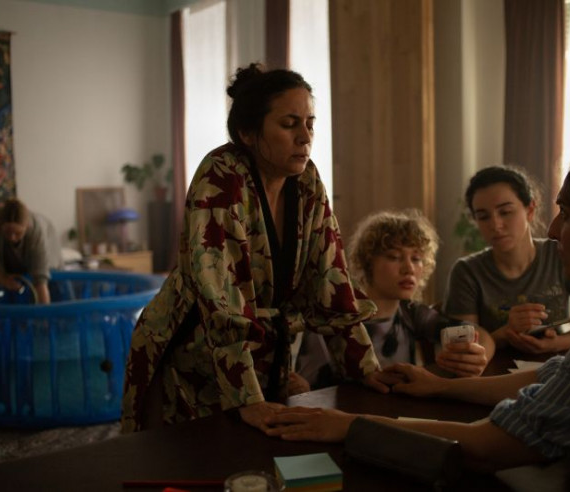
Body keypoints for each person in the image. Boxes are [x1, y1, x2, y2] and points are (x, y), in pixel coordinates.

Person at [265, 143, 570, 488]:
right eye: (483, 215)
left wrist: (349, 424)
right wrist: (442, 386)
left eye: (569, 214)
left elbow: (490, 445)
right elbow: (559, 374)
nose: (556, 228)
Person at [121, 64, 390, 435]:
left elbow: (332, 279)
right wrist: (247, 399)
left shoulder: (307, 181)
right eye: (289, 124)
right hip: (190, 350)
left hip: (260, 353)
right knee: (194, 458)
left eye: (310, 124)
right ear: (247, 133)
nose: (305, 137)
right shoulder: (221, 176)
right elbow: (221, 300)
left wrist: (366, 370)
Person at [294, 209, 495, 391]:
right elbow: (309, 387)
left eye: (416, 259)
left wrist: (477, 356)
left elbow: (479, 334)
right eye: (394, 257)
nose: (409, 269)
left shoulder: (411, 312)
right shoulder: (335, 313)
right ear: (367, 262)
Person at [443, 165, 570, 354]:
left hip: (554, 364)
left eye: (505, 212)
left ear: (530, 210)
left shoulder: (559, 253)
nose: (495, 225)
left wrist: (557, 343)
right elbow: (464, 349)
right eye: (483, 217)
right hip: (492, 369)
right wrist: (506, 332)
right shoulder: (466, 272)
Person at [0, 198, 63, 304]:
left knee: (52, 285)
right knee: (11, 281)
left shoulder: (36, 231)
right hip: (9, 253)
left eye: (17, 233)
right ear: (0, 225)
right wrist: (3, 279)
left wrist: (44, 313)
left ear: (26, 227)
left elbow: (40, 280)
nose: (12, 238)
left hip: (48, 245)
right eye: (7, 232)